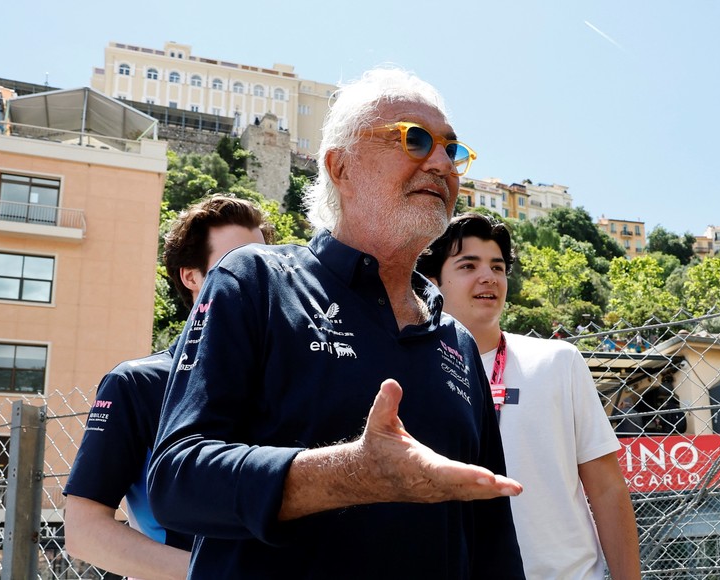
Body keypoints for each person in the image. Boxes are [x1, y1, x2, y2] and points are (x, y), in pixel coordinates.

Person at [147, 68, 524, 578]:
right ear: (340, 167)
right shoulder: (254, 282)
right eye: (414, 140)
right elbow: (177, 481)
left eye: (451, 150)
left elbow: (491, 536)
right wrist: (350, 475)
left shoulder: (454, 338)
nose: (441, 163)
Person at [416, 212, 642, 579]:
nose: (488, 276)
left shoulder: (559, 360)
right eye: (468, 265)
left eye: (498, 266)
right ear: (431, 282)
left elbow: (607, 489)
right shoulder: (412, 375)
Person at [64, 195, 274, 580]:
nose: (253, 277)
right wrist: (215, 573)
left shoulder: (286, 380)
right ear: (190, 276)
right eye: (235, 264)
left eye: (262, 265)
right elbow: (84, 532)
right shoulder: (136, 383)